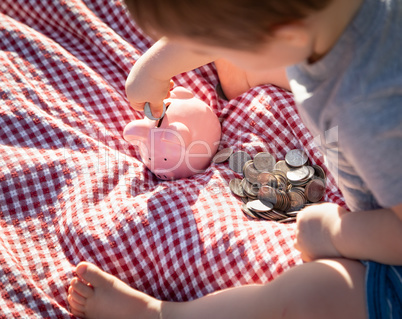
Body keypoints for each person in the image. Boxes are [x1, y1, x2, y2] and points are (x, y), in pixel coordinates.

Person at [67, 0, 402, 318]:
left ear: (284, 30)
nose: (211, 52)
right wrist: (153, 71)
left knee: (311, 296)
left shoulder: (369, 114)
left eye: (226, 46)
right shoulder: (331, 18)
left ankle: (161, 314)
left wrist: (334, 232)